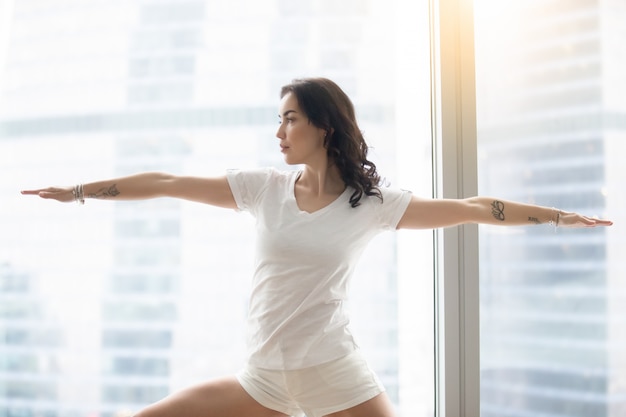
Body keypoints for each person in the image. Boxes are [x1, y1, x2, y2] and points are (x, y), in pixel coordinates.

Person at [21, 77, 613, 417]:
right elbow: (168, 184)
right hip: (264, 377)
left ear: (324, 126)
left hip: (333, 372)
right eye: (278, 121)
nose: (278, 133)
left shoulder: (373, 205)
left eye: (290, 120)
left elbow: (475, 210)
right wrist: (78, 191)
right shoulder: (262, 190)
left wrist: (558, 217)